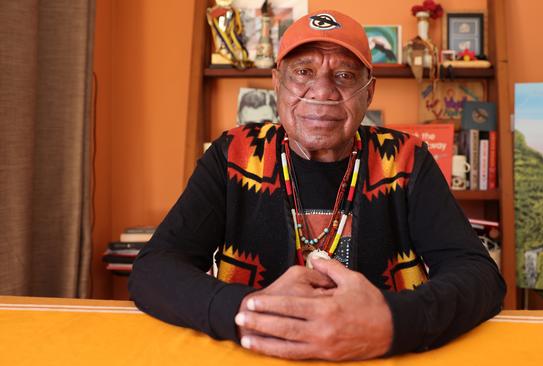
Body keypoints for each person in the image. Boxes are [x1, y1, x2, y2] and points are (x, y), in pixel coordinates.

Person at [129, 9, 505, 361]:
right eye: (303, 72)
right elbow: (155, 268)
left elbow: (479, 276)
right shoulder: (234, 155)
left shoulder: (406, 160)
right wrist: (248, 311)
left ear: (368, 92)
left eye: (344, 75)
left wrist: (392, 322)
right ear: (277, 84)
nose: (322, 92)